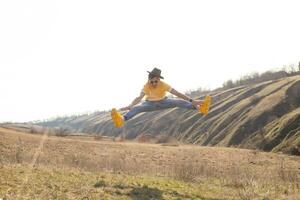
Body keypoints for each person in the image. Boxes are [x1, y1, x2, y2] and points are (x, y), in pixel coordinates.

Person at [111, 68, 211, 128]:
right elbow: (139, 97)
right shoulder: (146, 85)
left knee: (179, 102)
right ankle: (122, 119)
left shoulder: (163, 85)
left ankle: (200, 108)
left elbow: (177, 93)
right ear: (149, 79)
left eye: (156, 81)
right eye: (152, 81)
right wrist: (130, 105)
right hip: (149, 104)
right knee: (137, 108)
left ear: (159, 79)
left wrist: (192, 100)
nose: (154, 83)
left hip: (164, 101)